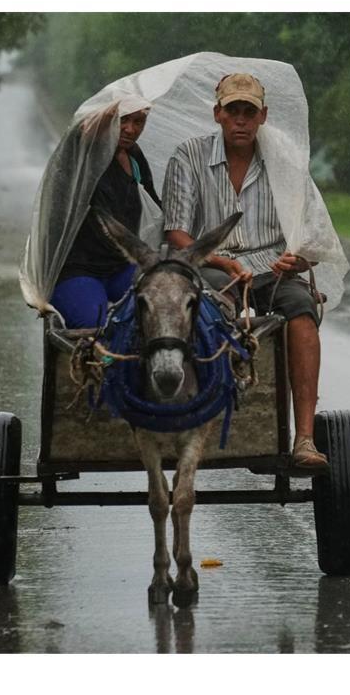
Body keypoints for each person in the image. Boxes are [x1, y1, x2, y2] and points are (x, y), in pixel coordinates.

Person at [161, 73, 328, 469]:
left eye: (248, 112)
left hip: (272, 267)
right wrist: (216, 259)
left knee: (301, 310)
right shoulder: (189, 155)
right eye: (232, 110)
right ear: (217, 114)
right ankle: (211, 411)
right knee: (214, 307)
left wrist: (299, 259)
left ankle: (304, 438)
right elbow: (177, 233)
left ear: (262, 116)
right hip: (211, 265)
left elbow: (310, 237)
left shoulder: (284, 162)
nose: (241, 120)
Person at [49, 99, 161, 329]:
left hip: (122, 266)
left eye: (138, 122)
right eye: (123, 120)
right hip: (78, 270)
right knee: (96, 327)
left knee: (162, 309)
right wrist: (116, 102)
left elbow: (156, 207)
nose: (130, 129)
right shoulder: (82, 156)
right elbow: (79, 133)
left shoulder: (134, 157)